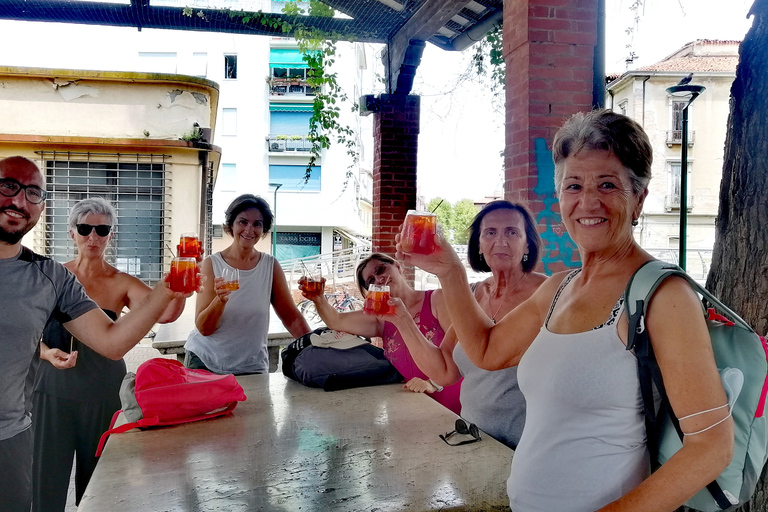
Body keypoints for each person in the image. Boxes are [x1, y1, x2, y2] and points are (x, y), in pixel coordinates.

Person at [398, 110, 734, 511]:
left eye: (608, 185)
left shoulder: (662, 294)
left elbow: (711, 445)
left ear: (639, 198)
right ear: (560, 197)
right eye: (573, 185)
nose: (587, 201)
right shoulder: (559, 288)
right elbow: (486, 351)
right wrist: (450, 271)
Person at [0, 156, 195, 512]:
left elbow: (156, 315)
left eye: (102, 230)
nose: (93, 237)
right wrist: (45, 352)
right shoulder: (53, 273)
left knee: (100, 485)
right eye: (85, 228)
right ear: (71, 231)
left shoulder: (64, 279)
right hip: (50, 391)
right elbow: (27, 334)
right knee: (46, 484)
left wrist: (173, 289)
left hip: (99, 392)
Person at [387, 201, 545, 448]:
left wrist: (451, 273)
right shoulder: (472, 295)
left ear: (527, 244)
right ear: (479, 246)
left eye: (512, 232)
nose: (500, 241)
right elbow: (446, 370)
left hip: (526, 449)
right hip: (472, 439)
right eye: (490, 232)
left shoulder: (546, 294)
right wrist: (402, 319)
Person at [299, 253, 462, 414]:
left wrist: (433, 383)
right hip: (408, 408)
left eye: (380, 270)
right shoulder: (382, 319)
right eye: (371, 281)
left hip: (450, 405)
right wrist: (319, 299)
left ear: (397, 267)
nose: (378, 279)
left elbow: (460, 347)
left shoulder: (436, 299)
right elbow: (336, 321)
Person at [185, 194, 311, 374]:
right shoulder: (211, 264)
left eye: (257, 224)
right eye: (242, 222)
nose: (249, 229)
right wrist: (219, 301)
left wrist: (315, 348)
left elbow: (292, 318)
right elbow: (204, 329)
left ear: (263, 229)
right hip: (206, 362)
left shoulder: (270, 266)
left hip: (252, 366)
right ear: (230, 226)